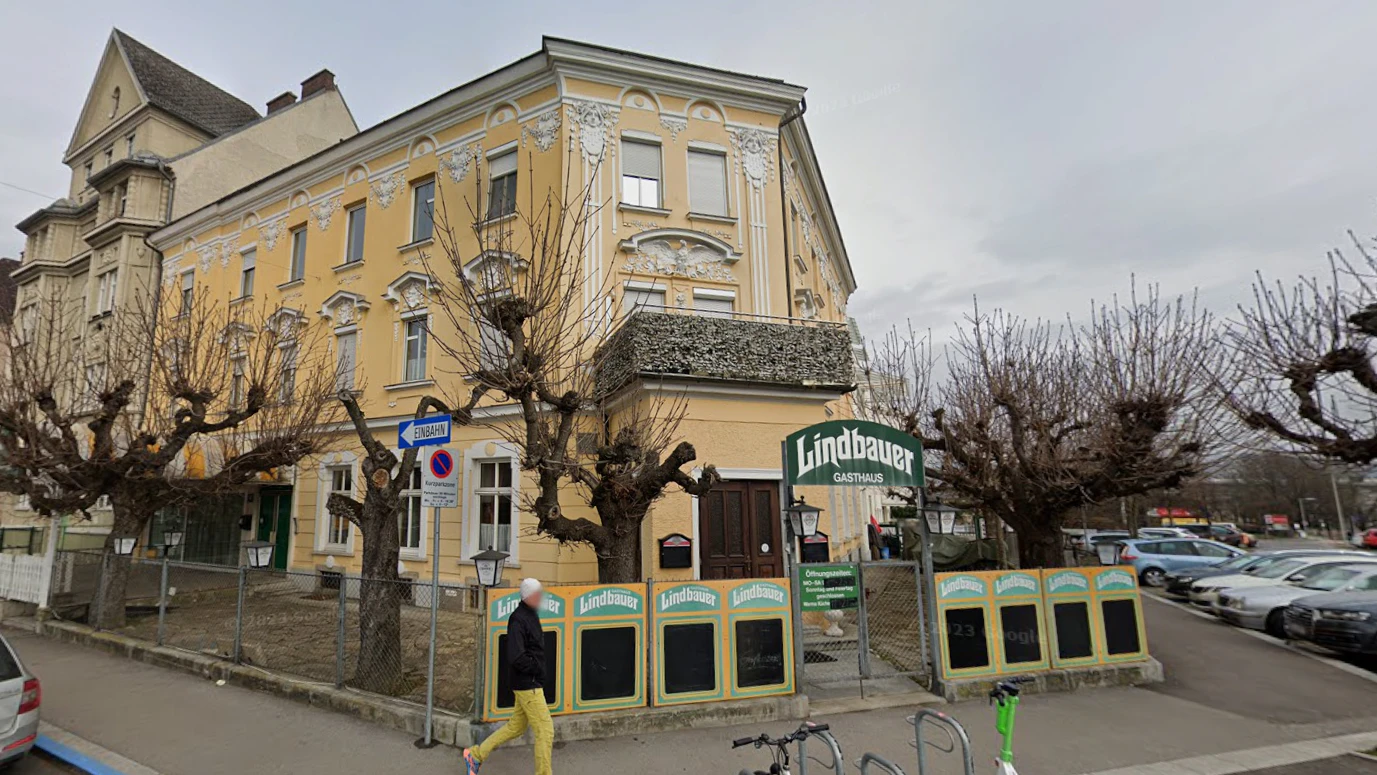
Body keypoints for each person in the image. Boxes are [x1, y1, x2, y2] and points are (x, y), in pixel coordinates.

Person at [464, 578, 552, 775]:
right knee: (545, 731)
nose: (540, 597)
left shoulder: (530, 614)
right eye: (538, 593)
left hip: (529, 681)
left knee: (516, 727)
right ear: (529, 596)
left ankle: (475, 755)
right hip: (528, 684)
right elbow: (516, 655)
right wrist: (536, 668)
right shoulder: (518, 619)